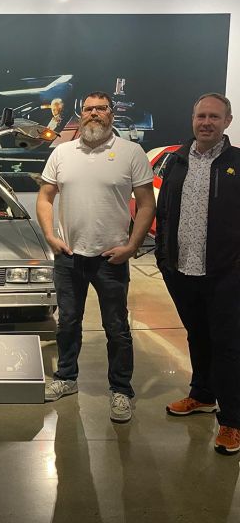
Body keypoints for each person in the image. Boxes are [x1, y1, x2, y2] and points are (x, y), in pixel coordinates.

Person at [37, 91, 155, 423]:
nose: (94, 114)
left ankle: (121, 390)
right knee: (68, 323)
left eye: (101, 108)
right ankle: (66, 378)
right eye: (88, 109)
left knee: (116, 328)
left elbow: (147, 204)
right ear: (81, 114)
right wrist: (50, 236)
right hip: (69, 256)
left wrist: (132, 246)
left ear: (111, 114)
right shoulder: (62, 152)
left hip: (111, 258)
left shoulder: (131, 152)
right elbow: (45, 198)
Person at [156, 93, 240, 455]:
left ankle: (233, 420)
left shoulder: (236, 162)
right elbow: (163, 210)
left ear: (227, 121)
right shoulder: (177, 161)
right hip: (182, 269)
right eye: (201, 116)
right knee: (197, 336)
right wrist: (163, 258)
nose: (206, 123)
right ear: (193, 119)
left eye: (214, 117)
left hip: (225, 273)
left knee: (228, 345)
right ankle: (203, 395)